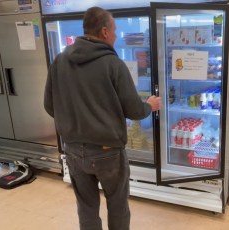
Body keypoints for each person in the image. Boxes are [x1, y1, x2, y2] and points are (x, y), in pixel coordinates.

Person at [44, 6, 161, 230]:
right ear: (105, 32)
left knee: (86, 208)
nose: (117, 35)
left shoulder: (59, 61)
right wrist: (149, 106)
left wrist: (74, 122)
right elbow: (135, 111)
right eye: (115, 30)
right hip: (108, 152)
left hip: (73, 150)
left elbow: (49, 106)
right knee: (117, 206)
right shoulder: (113, 64)